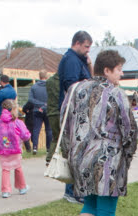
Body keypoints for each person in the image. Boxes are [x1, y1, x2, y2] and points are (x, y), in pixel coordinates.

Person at [61, 50, 138, 216]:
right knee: (106, 208)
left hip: (80, 156)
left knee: (90, 202)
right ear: (107, 70)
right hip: (108, 159)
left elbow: (64, 119)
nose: (121, 74)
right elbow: (129, 128)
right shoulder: (116, 93)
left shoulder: (75, 89)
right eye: (119, 70)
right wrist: (128, 154)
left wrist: (71, 150)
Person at [58, 30, 93, 204]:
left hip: (78, 112)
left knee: (79, 151)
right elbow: (71, 85)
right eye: (86, 47)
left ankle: (75, 190)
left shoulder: (78, 60)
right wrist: (85, 83)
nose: (88, 50)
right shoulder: (71, 60)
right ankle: (72, 191)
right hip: (73, 113)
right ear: (77, 43)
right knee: (75, 152)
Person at [0, 99, 31, 198]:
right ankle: (22, 187)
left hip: (2, 150)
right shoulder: (17, 122)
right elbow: (25, 135)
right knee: (18, 167)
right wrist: (26, 138)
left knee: (5, 169)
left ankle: (5, 191)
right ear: (14, 109)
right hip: (15, 149)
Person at [28, 70, 51, 155]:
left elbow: (30, 99)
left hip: (37, 110)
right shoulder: (50, 86)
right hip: (48, 109)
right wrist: (45, 105)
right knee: (48, 129)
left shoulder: (34, 87)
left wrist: (40, 105)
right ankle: (48, 148)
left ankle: (34, 147)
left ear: (39, 76)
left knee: (36, 129)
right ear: (47, 76)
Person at [45, 73, 60, 164]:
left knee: (55, 137)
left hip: (51, 112)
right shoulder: (63, 81)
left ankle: (49, 158)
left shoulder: (49, 81)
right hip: (60, 111)